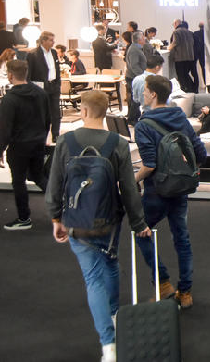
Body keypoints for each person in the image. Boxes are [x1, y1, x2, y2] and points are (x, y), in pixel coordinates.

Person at [45, 91, 151, 362]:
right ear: (106, 113)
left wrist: (56, 219)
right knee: (111, 264)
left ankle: (108, 344)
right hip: (109, 220)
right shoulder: (118, 143)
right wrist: (139, 223)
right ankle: (114, 315)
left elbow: (54, 184)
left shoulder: (65, 142)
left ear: (83, 111)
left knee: (93, 279)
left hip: (76, 221)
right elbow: (129, 188)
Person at [133, 75, 207, 308]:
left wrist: (132, 180)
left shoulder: (144, 125)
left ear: (153, 94)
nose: (143, 94)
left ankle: (162, 281)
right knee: (182, 239)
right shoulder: (181, 118)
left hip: (156, 191)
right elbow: (200, 153)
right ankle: (185, 293)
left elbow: (149, 165)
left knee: (141, 231)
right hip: (180, 188)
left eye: (145, 90)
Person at [0, 60, 50, 230]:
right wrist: (43, 137)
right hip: (38, 143)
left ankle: (24, 218)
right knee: (38, 176)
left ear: (10, 75)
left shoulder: (9, 99)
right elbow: (48, 119)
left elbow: (5, 129)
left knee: (19, 181)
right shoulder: (41, 93)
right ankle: (63, 204)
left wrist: (1, 149)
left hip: (19, 146)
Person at [27, 30, 62, 142]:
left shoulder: (54, 52)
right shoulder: (33, 54)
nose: (53, 42)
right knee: (42, 113)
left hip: (54, 86)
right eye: (51, 40)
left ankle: (56, 135)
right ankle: (42, 136)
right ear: (43, 41)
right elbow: (29, 74)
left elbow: (56, 69)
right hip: (41, 87)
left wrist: (58, 83)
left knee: (56, 113)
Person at [124, 31, 147, 124]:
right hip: (133, 77)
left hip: (134, 76)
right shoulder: (134, 50)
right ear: (139, 40)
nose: (145, 39)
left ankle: (135, 117)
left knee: (135, 99)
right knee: (135, 99)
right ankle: (132, 119)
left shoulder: (136, 48)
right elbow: (134, 66)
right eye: (143, 38)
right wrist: (142, 76)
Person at [168, 20, 196, 94]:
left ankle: (185, 90)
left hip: (180, 57)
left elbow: (175, 42)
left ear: (176, 24)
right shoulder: (189, 32)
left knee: (181, 75)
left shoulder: (176, 32)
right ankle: (192, 89)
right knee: (186, 74)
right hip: (189, 57)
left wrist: (169, 48)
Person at [192, 22, 206, 91]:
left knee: (196, 68)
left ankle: (196, 85)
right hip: (204, 53)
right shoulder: (206, 33)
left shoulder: (195, 33)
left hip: (197, 53)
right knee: (204, 68)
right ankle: (206, 83)